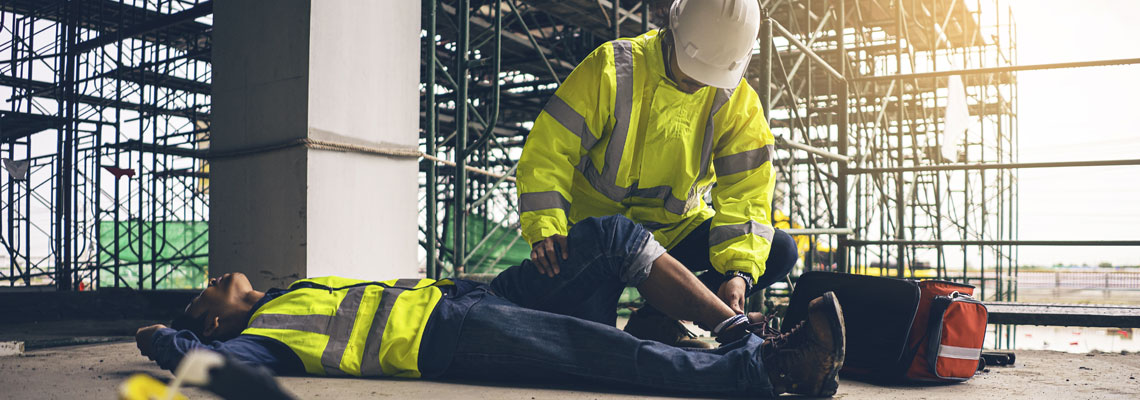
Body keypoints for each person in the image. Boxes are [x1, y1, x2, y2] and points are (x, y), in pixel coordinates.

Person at [136, 215, 845, 397]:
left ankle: (736, 332)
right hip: (448, 338)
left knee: (605, 241)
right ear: (215, 316)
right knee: (602, 355)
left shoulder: (290, 292)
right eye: (204, 291)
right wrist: (163, 336)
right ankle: (769, 371)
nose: (216, 275)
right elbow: (203, 366)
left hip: (464, 297)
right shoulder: (256, 337)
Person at [516, 0, 797, 347]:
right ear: (673, 32)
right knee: (594, 339)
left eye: (708, 75)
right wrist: (546, 228)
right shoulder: (613, 68)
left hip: (674, 234)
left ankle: (659, 318)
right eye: (691, 70)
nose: (698, 82)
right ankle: (638, 313)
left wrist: (737, 272)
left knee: (780, 249)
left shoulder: (737, 102)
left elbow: (747, 192)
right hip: (601, 238)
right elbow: (549, 150)